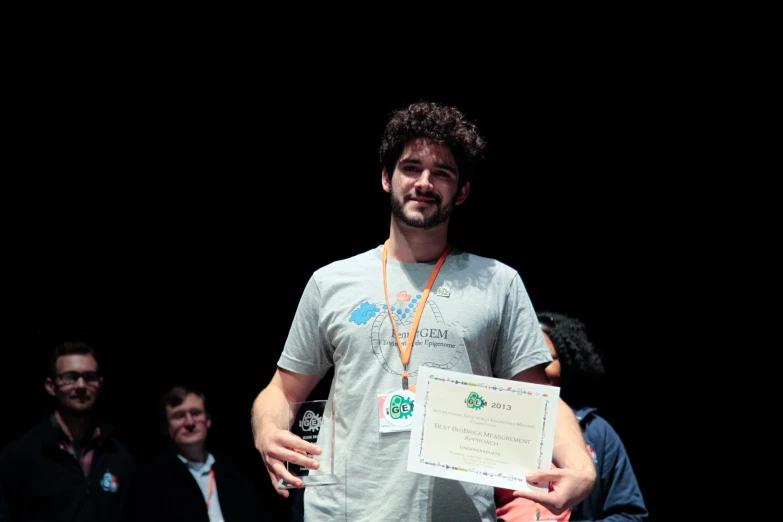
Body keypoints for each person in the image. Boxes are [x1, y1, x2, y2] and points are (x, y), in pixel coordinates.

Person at [250, 100, 596, 521]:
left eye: (443, 173)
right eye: (411, 168)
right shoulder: (331, 282)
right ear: (386, 177)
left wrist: (580, 464)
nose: (424, 182)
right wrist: (267, 429)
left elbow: (539, 400)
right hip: (345, 512)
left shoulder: (498, 283)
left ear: (462, 191)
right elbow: (282, 392)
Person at [496, 312, 649, 521]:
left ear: (566, 364)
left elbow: (630, 514)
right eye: (526, 361)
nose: (537, 370)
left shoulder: (597, 432)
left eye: (547, 359)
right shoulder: (490, 425)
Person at [0, 341, 136, 522]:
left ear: (100, 384)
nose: (80, 385)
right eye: (70, 377)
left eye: (89, 377)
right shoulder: (20, 456)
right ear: (51, 386)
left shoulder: (119, 455)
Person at [138, 385, 270, 521]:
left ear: (208, 420)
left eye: (195, 413)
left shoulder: (235, 470)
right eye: (179, 416)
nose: (189, 422)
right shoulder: (152, 479)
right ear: (165, 427)